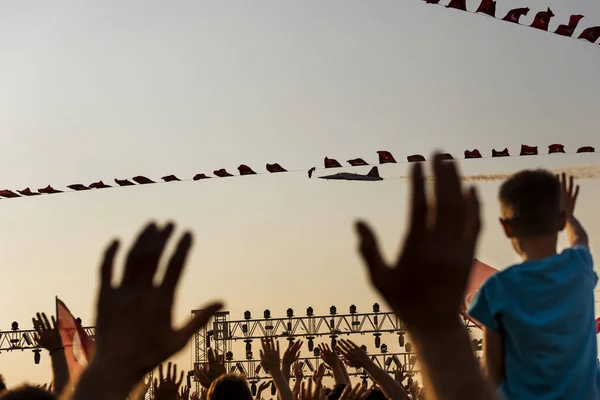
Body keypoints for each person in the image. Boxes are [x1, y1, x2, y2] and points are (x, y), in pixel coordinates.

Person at [468, 172, 598, 399]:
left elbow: (492, 373)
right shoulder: (578, 268)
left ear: (507, 228)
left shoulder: (496, 289)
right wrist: (570, 217)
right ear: (558, 221)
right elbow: (580, 240)